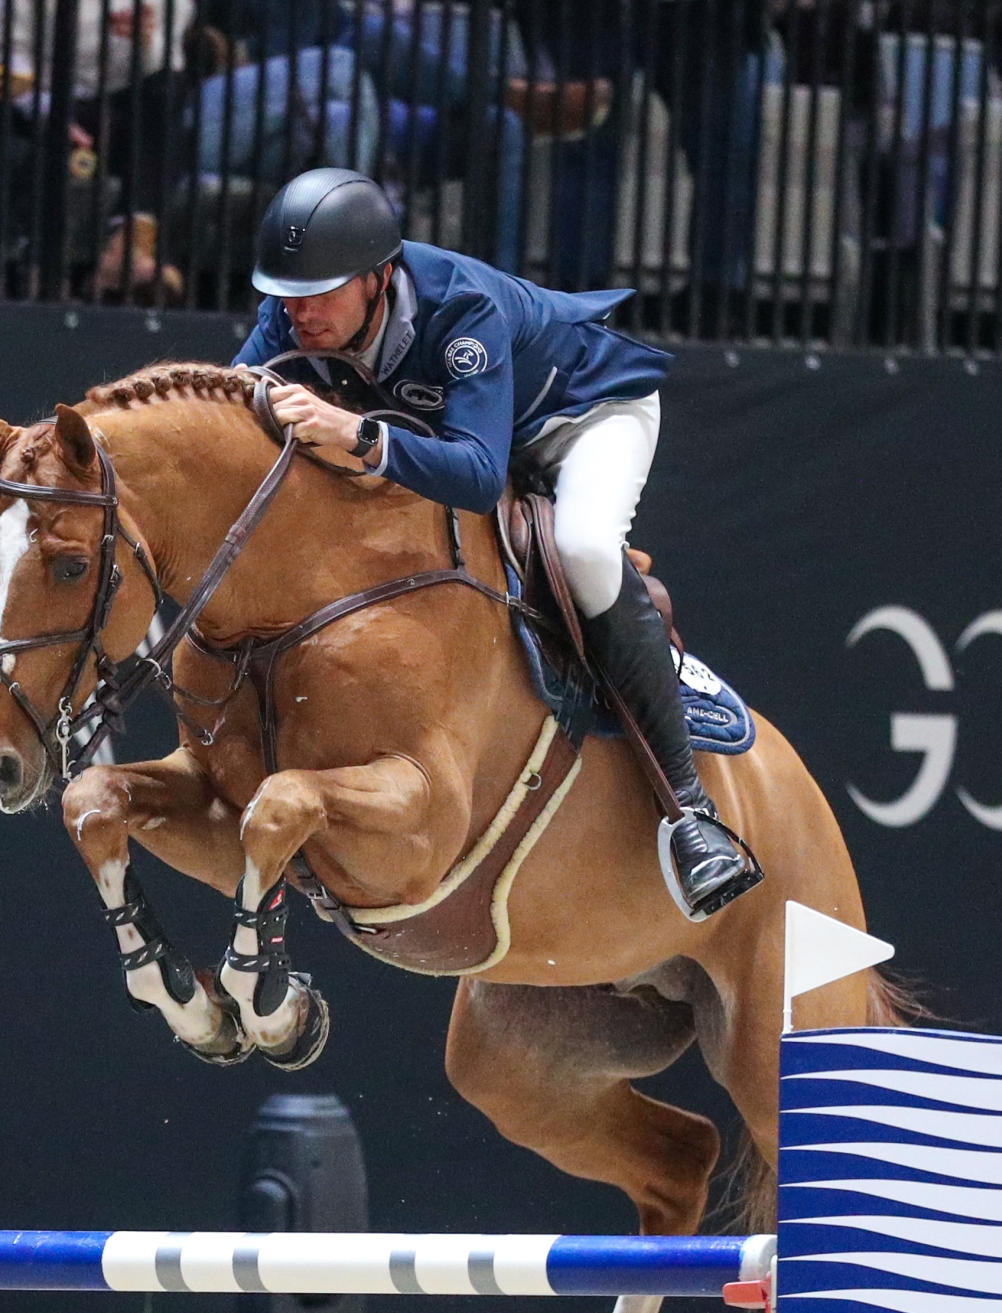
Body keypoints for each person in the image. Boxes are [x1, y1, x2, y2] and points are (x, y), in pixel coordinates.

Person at [235, 166, 758, 921]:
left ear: (379, 278)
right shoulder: (290, 315)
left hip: (581, 420)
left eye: (320, 293)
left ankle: (690, 815)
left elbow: (479, 477)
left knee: (583, 547)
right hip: (480, 435)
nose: (299, 312)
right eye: (288, 294)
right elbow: (234, 406)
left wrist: (355, 431)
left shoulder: (460, 309)